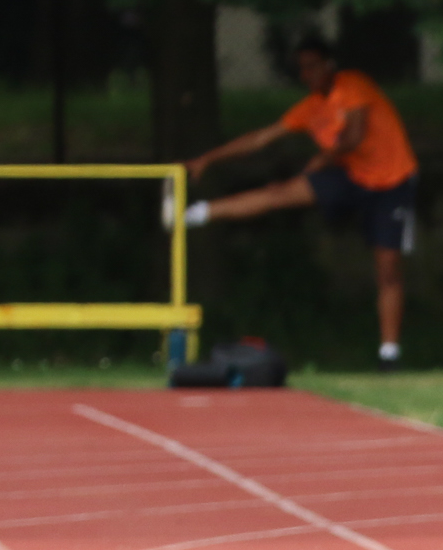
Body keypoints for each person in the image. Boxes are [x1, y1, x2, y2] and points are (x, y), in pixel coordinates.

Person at [175, 34, 418, 365]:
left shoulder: (352, 84)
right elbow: (260, 139)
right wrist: (208, 159)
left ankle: (389, 353)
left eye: (313, 66)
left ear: (329, 65)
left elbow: (354, 135)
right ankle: (195, 213)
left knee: (388, 268)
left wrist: (323, 159)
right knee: (279, 192)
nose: (307, 74)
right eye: (302, 69)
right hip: (350, 176)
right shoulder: (310, 108)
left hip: (392, 181)